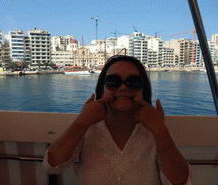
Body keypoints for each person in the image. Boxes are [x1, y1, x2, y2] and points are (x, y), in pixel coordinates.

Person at [43, 55, 192, 185]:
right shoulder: (87, 128)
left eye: (133, 82)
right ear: (102, 90)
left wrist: (161, 132)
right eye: (113, 81)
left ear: (143, 90)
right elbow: (51, 166)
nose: (122, 88)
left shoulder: (155, 131)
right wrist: (82, 122)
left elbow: (181, 182)